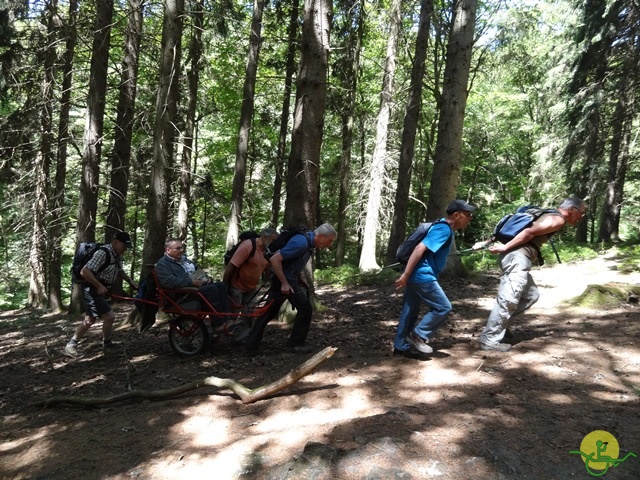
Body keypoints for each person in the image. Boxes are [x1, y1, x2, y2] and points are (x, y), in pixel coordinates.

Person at [474, 196, 587, 352]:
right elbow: (528, 232)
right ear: (571, 209)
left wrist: (488, 243)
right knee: (509, 299)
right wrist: (504, 248)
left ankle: (501, 328)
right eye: (582, 212)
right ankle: (490, 340)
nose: (582, 217)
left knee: (531, 295)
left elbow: (512, 229)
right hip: (517, 258)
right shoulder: (557, 219)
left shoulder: (545, 214)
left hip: (516, 257)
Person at [393, 200, 476, 359]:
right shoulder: (443, 229)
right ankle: (418, 335)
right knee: (443, 307)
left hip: (416, 275)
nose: (470, 218)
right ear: (457, 215)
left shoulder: (442, 227)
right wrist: (406, 274)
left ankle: (400, 347)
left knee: (410, 311)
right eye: (468, 214)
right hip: (422, 275)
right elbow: (419, 248)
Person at [243, 223, 337, 354]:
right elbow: (275, 259)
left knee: (269, 311)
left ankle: (251, 345)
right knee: (305, 309)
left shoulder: (307, 242)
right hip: (284, 279)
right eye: (330, 240)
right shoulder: (301, 243)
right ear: (321, 236)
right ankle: (295, 344)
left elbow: (289, 262)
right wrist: (284, 283)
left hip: (286, 278)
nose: (330, 244)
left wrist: (297, 277)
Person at [63, 232, 138, 358]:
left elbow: (118, 270)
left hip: (99, 289)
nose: (125, 249)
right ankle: (107, 345)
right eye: (124, 246)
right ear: (115, 242)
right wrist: (99, 286)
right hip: (92, 290)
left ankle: (71, 345)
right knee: (109, 316)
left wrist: (130, 282)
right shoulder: (102, 253)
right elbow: (85, 271)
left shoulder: (116, 255)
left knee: (90, 319)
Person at [154, 238, 228, 312]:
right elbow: (168, 282)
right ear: (168, 250)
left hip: (195, 289)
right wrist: (191, 282)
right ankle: (219, 321)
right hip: (182, 294)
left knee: (220, 285)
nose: (181, 250)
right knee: (211, 289)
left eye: (181, 247)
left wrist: (206, 278)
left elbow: (198, 271)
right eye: (178, 248)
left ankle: (228, 317)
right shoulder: (163, 264)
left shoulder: (185, 260)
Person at [223, 228, 278, 306]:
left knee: (249, 314)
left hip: (252, 288)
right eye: (272, 240)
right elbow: (231, 265)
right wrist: (224, 285)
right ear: (264, 237)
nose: (274, 243)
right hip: (236, 287)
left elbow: (267, 268)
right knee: (233, 314)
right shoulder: (247, 246)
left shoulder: (268, 251)